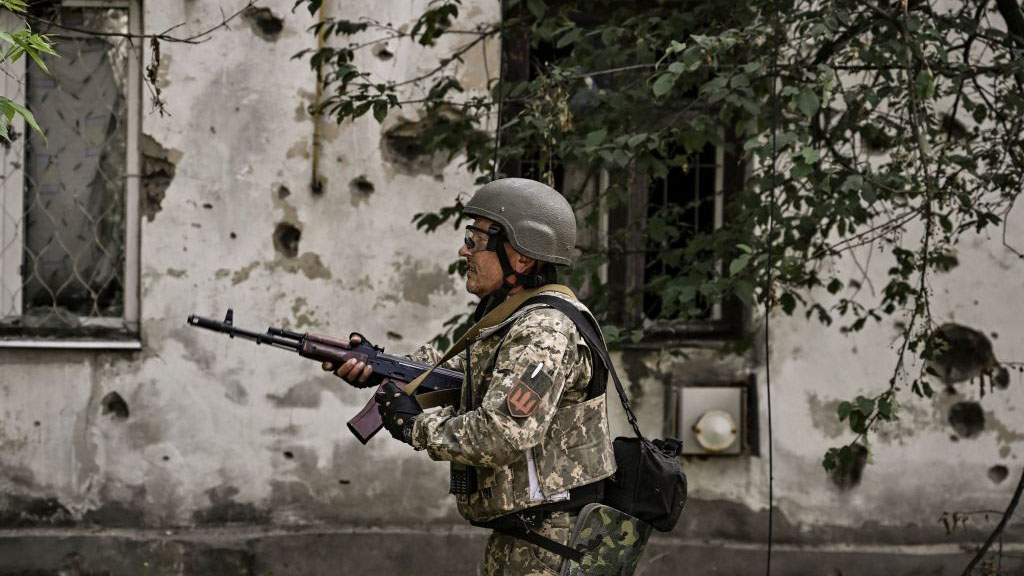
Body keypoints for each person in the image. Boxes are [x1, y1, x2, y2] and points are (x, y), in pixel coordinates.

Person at [326, 178, 616, 576]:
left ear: (521, 257)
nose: (464, 250)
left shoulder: (543, 330)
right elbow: (459, 372)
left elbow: (502, 434)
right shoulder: (512, 318)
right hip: (528, 537)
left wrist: (415, 425)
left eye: (475, 239)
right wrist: (379, 367)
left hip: (549, 545)